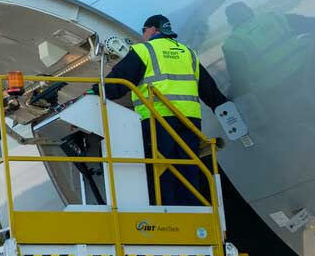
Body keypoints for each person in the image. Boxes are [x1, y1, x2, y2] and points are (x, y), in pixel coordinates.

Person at [97, 13, 231, 206]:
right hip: (189, 121)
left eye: (143, 31)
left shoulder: (145, 50)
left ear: (152, 30)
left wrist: (94, 91)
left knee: (161, 170)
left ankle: (167, 213)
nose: (143, 35)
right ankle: (192, 211)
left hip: (157, 120)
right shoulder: (188, 52)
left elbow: (119, 81)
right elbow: (208, 88)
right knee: (188, 168)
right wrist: (222, 105)